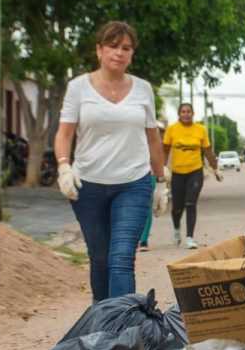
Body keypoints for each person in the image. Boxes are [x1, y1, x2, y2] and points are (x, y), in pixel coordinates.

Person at [54, 21, 168, 303]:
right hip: (88, 185)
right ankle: (102, 320)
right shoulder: (79, 88)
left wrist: (161, 182)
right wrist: (64, 166)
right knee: (101, 259)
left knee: (121, 257)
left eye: (126, 48)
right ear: (99, 50)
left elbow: (153, 139)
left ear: (132, 54)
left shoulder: (143, 89)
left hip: (134, 183)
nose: (119, 53)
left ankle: (122, 328)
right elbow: (64, 133)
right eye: (112, 46)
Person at [163, 102, 222, 249]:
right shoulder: (172, 129)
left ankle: (190, 237)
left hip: (195, 172)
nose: (186, 114)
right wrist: (163, 168)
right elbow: (164, 150)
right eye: (183, 111)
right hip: (177, 173)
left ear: (193, 113)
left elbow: (208, 151)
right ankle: (177, 229)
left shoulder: (200, 130)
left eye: (188, 111)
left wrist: (216, 168)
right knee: (177, 208)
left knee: (190, 203)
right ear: (179, 114)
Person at [138, 121, 168, 251]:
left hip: (149, 175)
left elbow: (158, 157)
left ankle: (143, 240)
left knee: (147, 207)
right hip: (129, 175)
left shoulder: (153, 140)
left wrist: (161, 183)